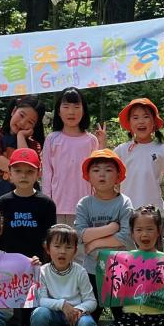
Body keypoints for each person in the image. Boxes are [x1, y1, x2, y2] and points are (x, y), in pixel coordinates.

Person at [0, 147, 56, 326]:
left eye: (29, 171)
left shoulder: (46, 204)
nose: (23, 176)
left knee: (33, 316)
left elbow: (49, 238)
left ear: (38, 174)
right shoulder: (3, 202)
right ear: (9, 174)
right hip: (8, 271)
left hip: (36, 270)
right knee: (12, 318)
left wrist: (45, 262)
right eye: (18, 171)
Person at [30, 224, 100, 326]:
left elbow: (91, 301)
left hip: (76, 315)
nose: (62, 251)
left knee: (88, 324)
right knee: (39, 313)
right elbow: (40, 300)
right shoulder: (42, 271)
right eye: (57, 246)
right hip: (53, 315)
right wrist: (62, 305)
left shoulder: (80, 272)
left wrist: (78, 310)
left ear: (75, 251)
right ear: (47, 249)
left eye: (68, 247)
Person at [74, 149, 134, 318]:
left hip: (120, 270)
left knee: (124, 318)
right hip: (92, 269)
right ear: (88, 176)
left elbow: (126, 236)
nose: (102, 174)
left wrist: (95, 243)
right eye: (96, 170)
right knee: (89, 318)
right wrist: (111, 228)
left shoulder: (124, 202)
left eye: (108, 170)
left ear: (118, 176)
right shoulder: (84, 204)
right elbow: (79, 234)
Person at [114, 98, 164, 223]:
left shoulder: (162, 150)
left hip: (153, 213)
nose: (141, 121)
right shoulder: (122, 150)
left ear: (154, 122)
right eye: (135, 117)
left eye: (146, 116)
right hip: (127, 212)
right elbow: (105, 168)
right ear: (129, 123)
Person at [42, 87, 103, 225]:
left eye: (76, 107)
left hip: (86, 207)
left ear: (84, 110)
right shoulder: (52, 139)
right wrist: (46, 202)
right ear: (58, 111)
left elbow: (98, 171)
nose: (71, 112)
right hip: (57, 207)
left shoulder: (91, 140)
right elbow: (47, 173)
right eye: (66, 106)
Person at [0, 96, 45, 204]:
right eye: (21, 115)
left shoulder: (33, 145)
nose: (22, 123)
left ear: (34, 127)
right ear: (13, 111)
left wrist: (21, 136)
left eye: (30, 122)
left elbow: (27, 162)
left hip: (28, 200)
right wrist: (23, 171)